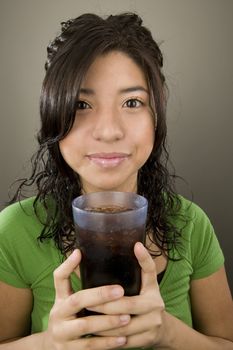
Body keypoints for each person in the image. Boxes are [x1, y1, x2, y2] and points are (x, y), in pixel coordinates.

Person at [0, 12, 232, 350]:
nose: (109, 131)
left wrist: (169, 333)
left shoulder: (192, 224)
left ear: (157, 116)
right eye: (81, 104)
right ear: (53, 115)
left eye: (132, 102)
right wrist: (48, 343)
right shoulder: (14, 230)